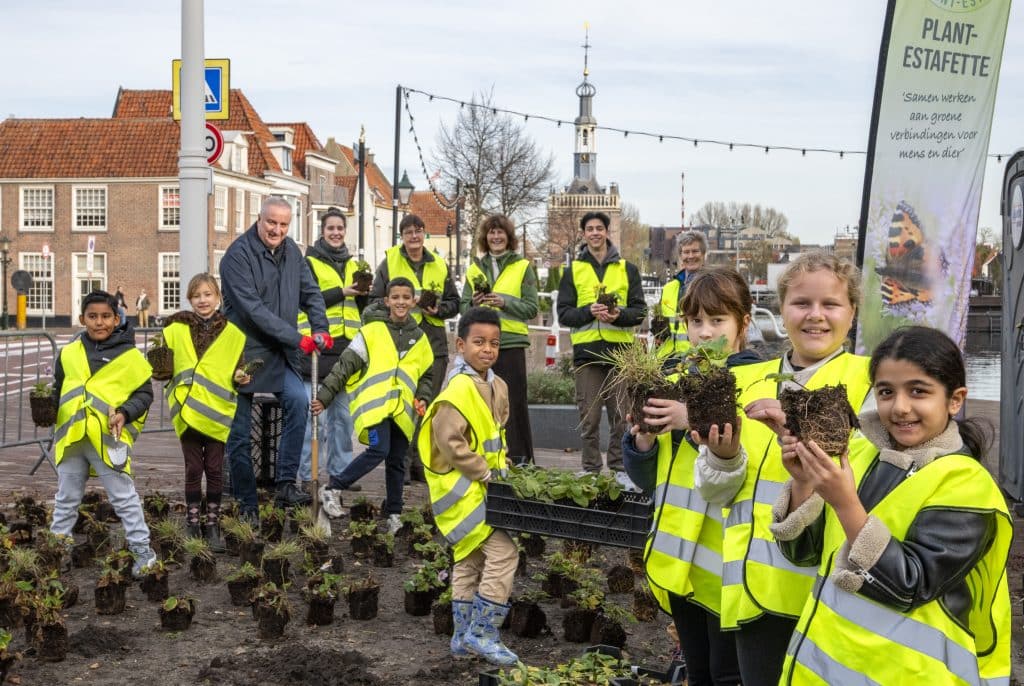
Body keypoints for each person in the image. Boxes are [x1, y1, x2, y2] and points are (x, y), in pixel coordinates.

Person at [771, 326, 1011, 685]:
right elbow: (803, 554)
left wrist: (846, 503)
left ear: (955, 399)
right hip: (827, 667)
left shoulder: (966, 484)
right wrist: (804, 484)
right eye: (886, 392)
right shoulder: (863, 454)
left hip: (911, 675)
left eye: (918, 391)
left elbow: (910, 586)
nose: (900, 408)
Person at [694, 252, 872, 686]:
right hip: (755, 591)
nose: (815, 316)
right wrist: (723, 457)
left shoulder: (874, 383)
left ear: (852, 312)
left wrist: (803, 426)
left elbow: (876, 482)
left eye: (830, 304)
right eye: (801, 303)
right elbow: (717, 493)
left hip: (830, 592)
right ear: (781, 309)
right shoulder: (746, 380)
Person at [623, 266, 758, 686]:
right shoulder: (676, 380)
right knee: (698, 672)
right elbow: (649, 478)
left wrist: (693, 417)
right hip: (683, 560)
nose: (704, 332)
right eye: (695, 321)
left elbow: (748, 455)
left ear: (743, 324)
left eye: (717, 321)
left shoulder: (754, 384)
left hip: (731, 565)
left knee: (727, 674)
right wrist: (642, 442)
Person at [418, 306, 518, 666]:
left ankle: (462, 637)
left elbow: (495, 432)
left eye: (494, 343)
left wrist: (500, 466)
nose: (487, 349)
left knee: (469, 558)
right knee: (505, 553)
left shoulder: (496, 385)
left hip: (477, 493)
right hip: (467, 494)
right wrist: (485, 471)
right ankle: (483, 631)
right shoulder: (458, 389)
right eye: (478, 342)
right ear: (461, 345)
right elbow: (450, 442)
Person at [220, 196, 331, 519]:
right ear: (259, 219)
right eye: (272, 223)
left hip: (280, 353)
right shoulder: (236, 257)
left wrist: (320, 327)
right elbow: (253, 312)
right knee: (239, 434)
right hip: (242, 355)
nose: (277, 230)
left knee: (298, 402)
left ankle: (285, 484)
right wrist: (298, 338)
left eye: (284, 225)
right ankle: (247, 502)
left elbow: (311, 293)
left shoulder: (292, 252)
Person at [49, 290, 157, 578]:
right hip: (72, 438)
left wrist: (124, 412)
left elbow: (145, 393)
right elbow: (58, 389)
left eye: (106, 316)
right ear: (82, 318)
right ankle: (58, 550)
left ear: (117, 318)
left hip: (107, 439)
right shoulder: (69, 353)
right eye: (93, 317)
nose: (99, 322)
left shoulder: (130, 355)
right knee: (66, 498)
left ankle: (142, 551)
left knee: (123, 497)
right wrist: (47, 406)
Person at [313, 278, 434, 530]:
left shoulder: (421, 339)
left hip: (403, 412)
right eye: (396, 297)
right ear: (387, 301)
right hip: (376, 409)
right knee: (379, 450)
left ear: (414, 302)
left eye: (406, 297)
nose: (401, 302)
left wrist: (423, 397)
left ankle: (393, 514)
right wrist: (324, 397)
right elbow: (344, 366)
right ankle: (333, 487)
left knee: (397, 460)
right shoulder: (371, 332)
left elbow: (426, 375)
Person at [368, 213, 459, 482]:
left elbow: (455, 303)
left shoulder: (440, 265)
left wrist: (437, 309)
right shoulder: (390, 262)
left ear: (424, 233)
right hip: (401, 343)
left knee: (426, 405)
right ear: (402, 236)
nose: (414, 236)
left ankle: (419, 461)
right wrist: (399, 307)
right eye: (408, 232)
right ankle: (401, 463)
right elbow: (374, 301)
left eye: (418, 231)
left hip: (433, 343)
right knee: (405, 403)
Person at [162, 273, 249, 551]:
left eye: (208, 294)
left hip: (216, 410)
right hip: (187, 409)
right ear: (190, 299)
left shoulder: (233, 334)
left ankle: (211, 524)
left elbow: (239, 366)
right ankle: (192, 522)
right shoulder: (174, 328)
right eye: (197, 295)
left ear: (218, 297)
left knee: (213, 468)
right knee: (193, 468)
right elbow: (161, 363)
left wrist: (242, 375)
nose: (203, 300)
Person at [556, 210, 645, 479]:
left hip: (620, 355)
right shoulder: (573, 271)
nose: (595, 233)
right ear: (584, 234)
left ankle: (619, 467)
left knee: (621, 417)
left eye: (599, 228)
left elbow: (640, 311)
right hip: (588, 356)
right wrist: (588, 312)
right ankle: (591, 469)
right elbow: (563, 313)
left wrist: (619, 316)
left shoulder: (627, 269)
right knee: (589, 417)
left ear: (607, 232)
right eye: (590, 229)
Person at [297, 208, 368, 498]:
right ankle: (307, 475)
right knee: (315, 420)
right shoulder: (308, 263)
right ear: (322, 231)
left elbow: (361, 308)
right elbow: (306, 300)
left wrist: (365, 295)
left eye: (340, 228)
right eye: (331, 228)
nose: (336, 233)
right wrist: (343, 292)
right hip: (317, 349)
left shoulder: (355, 265)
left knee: (343, 418)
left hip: (346, 350)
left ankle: (341, 473)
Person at [459, 214, 539, 465]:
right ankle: (486, 458)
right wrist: (473, 303)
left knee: (514, 404)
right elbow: (462, 308)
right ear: (485, 237)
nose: (495, 237)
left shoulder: (522, 267)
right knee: (481, 402)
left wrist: (505, 302)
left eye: (500, 233)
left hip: (511, 344)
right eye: (491, 233)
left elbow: (531, 307)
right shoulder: (474, 269)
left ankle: (521, 459)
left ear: (508, 237)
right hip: (480, 347)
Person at [655, 230, 707, 360]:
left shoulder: (712, 286)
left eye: (695, 251)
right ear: (680, 256)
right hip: (667, 359)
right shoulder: (669, 288)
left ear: (704, 254)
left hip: (697, 358)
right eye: (686, 252)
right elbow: (660, 318)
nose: (690, 256)